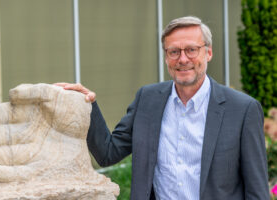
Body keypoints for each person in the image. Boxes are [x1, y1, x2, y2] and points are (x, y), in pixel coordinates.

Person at [56, 16, 269, 200]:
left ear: (208, 53)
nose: (183, 59)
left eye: (191, 50)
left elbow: (257, 191)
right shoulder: (147, 100)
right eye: (174, 51)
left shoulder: (242, 110)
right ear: (166, 56)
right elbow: (108, 153)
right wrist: (87, 105)